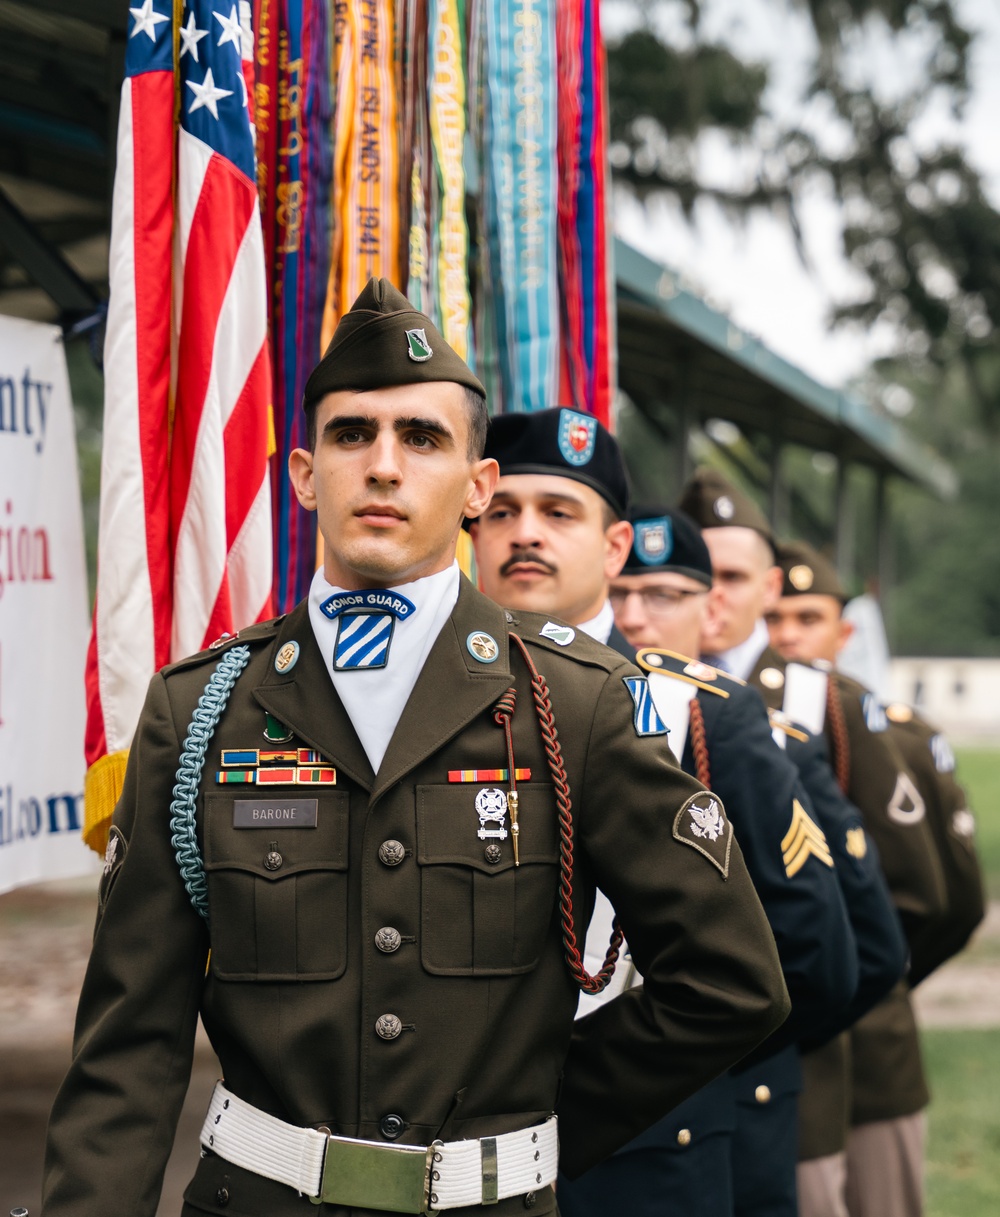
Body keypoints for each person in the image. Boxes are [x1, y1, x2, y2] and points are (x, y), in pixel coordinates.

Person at [42, 281, 789, 1217]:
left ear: (477, 488)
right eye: (353, 435)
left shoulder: (576, 703)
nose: (384, 466)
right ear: (307, 474)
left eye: (422, 438)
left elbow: (730, 981)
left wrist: (535, 1129)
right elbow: (130, 1039)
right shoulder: (202, 710)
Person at [469, 420, 857, 1217]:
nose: (526, 533)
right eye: (502, 510)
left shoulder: (701, 712)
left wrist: (640, 1090)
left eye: (558, 511)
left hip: (636, 1152)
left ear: (613, 548)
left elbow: (818, 959)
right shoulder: (423, 699)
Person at [678, 474, 919, 1217]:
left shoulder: (818, 703)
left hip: (813, 1051)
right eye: (697, 576)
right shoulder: (647, 692)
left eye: (732, 576)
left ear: (767, 586)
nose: (712, 596)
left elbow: (911, 902)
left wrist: (830, 991)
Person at [766, 539, 977, 1217]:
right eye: (775, 617)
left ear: (844, 629)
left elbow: (941, 902)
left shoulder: (884, 725)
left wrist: (876, 978)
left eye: (807, 617)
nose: (788, 634)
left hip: (874, 1043)